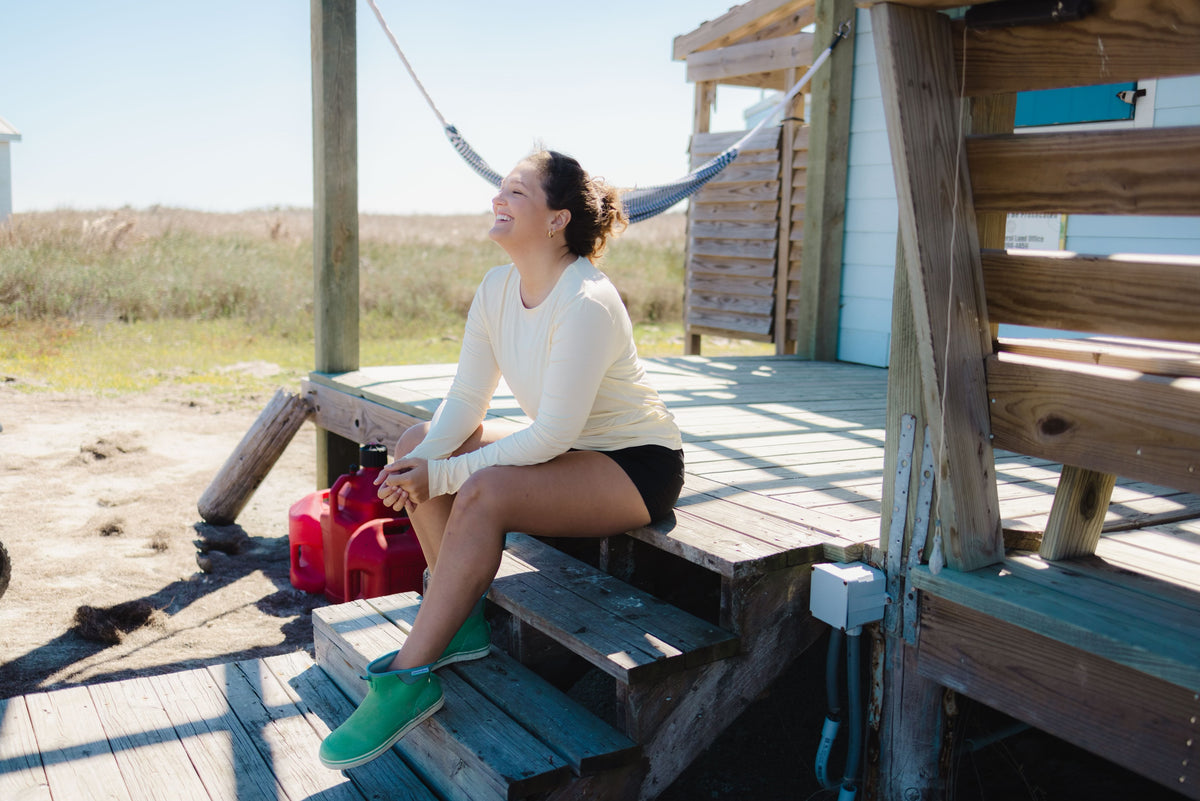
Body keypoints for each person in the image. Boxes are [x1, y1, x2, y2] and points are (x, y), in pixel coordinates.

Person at [318, 149, 684, 770]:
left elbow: (550, 434)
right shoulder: (497, 287)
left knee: (483, 490)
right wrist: (422, 463)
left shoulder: (587, 299)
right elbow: (466, 399)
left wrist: (447, 475)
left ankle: (408, 677)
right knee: (415, 441)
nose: (498, 199)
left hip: (633, 464)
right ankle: (456, 620)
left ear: (555, 220)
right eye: (501, 190)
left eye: (516, 192)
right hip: (567, 450)